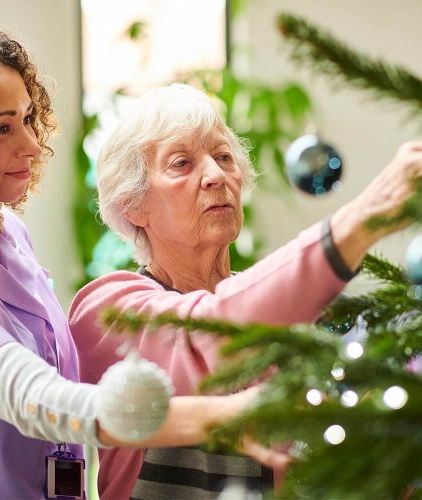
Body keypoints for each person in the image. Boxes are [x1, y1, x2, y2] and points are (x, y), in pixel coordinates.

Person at [0, 20, 287, 500]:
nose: (32, 145)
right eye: (4, 127)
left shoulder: (11, 240)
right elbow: (40, 400)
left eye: (29, 119)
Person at [69, 83, 422, 499]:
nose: (217, 176)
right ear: (133, 205)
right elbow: (212, 336)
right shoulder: (107, 308)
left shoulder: (279, 306)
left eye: (223, 157)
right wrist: (362, 218)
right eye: (181, 164)